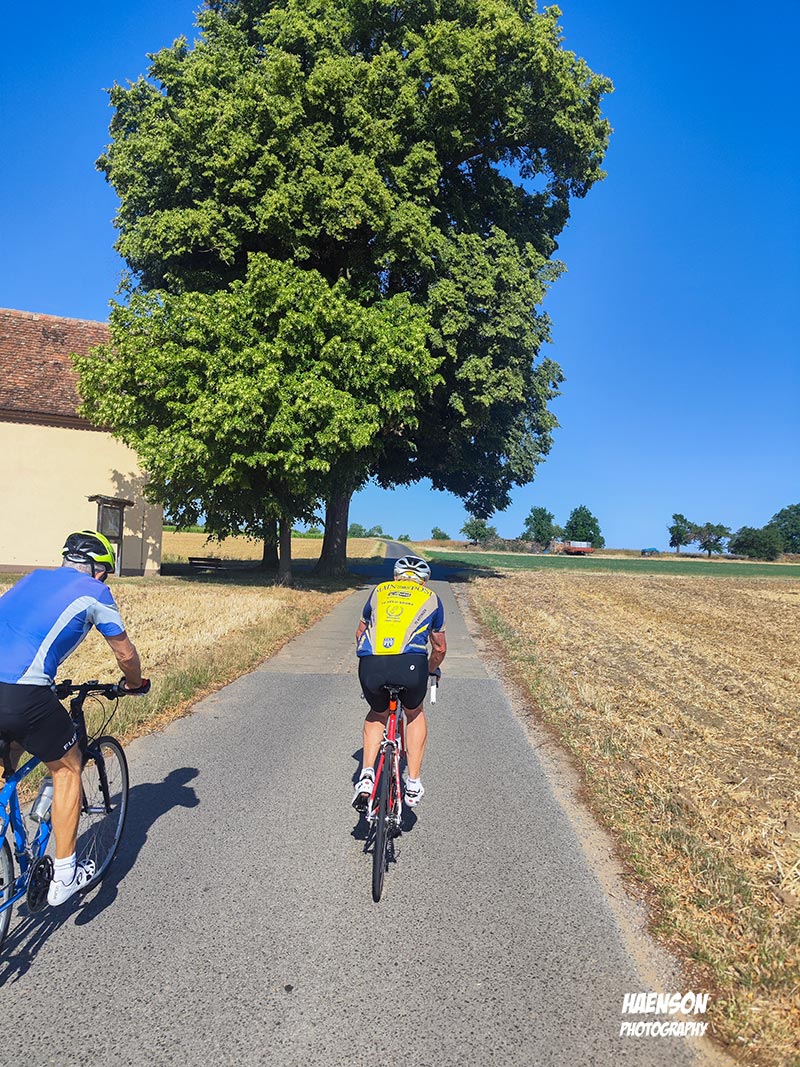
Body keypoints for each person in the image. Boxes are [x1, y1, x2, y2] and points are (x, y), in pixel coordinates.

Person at [0, 531, 149, 906]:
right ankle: (65, 874)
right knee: (68, 766)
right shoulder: (95, 592)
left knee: (8, 754)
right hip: (23, 692)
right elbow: (125, 654)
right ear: (99, 570)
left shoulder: (32, 578)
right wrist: (134, 683)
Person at [353, 555, 446, 810]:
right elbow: (439, 647)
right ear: (423, 582)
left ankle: (366, 775)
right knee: (414, 713)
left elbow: (360, 632)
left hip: (372, 662)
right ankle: (413, 783)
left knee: (377, 713)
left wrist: (369, 662)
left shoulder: (379, 591)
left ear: (396, 577)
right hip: (411, 664)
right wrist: (430, 670)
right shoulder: (432, 598)